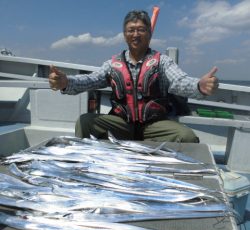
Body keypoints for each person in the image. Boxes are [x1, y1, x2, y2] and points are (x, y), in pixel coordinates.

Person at [49, 10, 219, 142]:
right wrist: (66, 82)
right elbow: (91, 80)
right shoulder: (112, 64)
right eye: (131, 30)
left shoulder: (163, 62)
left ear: (149, 34)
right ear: (124, 35)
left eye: (141, 30)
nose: (136, 34)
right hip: (122, 123)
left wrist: (199, 86)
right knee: (85, 122)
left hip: (154, 124)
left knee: (186, 136)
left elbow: (180, 81)